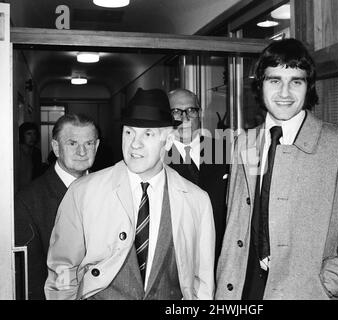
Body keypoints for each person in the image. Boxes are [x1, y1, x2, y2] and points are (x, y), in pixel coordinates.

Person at [215, 38, 338, 300]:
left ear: (308, 88)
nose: (284, 93)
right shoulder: (244, 142)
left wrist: (328, 284)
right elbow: (236, 223)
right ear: (260, 85)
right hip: (244, 291)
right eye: (275, 81)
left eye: (296, 81)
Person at [44, 88, 215, 300]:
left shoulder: (196, 200)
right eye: (129, 132)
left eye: (148, 134)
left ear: (169, 140)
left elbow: (203, 283)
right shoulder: (84, 192)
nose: (135, 143)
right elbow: (62, 267)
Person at [14, 114, 100, 300]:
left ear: (97, 146)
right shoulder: (28, 201)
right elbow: (30, 277)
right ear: (56, 148)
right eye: (72, 143)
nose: (82, 152)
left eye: (89, 143)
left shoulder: (110, 190)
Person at [167, 88, 229, 267]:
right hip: (175, 260)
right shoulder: (155, 158)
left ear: (199, 113)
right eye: (176, 111)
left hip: (218, 256)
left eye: (191, 110)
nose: (185, 118)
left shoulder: (223, 151)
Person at [17, 122, 43, 190]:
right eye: (29, 134)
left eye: (34, 134)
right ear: (22, 135)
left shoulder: (36, 152)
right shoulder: (16, 152)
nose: (32, 137)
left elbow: (38, 173)